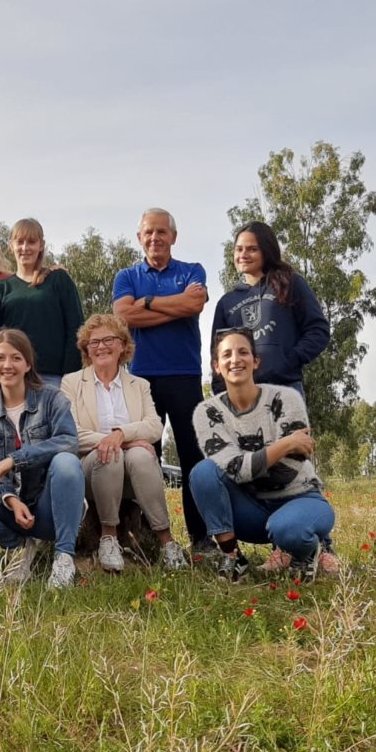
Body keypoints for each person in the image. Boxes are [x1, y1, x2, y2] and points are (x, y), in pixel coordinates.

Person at [189, 327, 337, 581]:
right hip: (253, 510)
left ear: (255, 361)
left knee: (287, 528)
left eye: (243, 352)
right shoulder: (207, 412)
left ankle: (307, 551)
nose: (235, 360)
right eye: (227, 355)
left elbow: (287, 470)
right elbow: (232, 468)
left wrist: (245, 464)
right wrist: (285, 444)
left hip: (299, 497)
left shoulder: (286, 398)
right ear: (216, 366)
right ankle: (234, 558)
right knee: (202, 473)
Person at [0, 329, 85, 588]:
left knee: (66, 462)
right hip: (11, 509)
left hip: (49, 507)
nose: (7, 365)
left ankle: (64, 557)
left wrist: (14, 459)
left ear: (28, 364)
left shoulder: (52, 399)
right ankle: (19, 547)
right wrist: (10, 499)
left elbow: (69, 441)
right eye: (0, 358)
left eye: (16, 358)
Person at [111, 207, 211, 557]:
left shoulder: (192, 271)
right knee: (142, 459)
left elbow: (195, 304)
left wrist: (150, 302)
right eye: (148, 233)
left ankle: (202, 539)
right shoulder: (126, 276)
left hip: (185, 376)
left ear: (173, 237)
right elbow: (124, 315)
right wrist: (175, 305)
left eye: (161, 232)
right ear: (140, 238)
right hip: (141, 380)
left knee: (193, 460)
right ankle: (144, 539)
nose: (155, 238)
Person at [61, 314, 189, 572]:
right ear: (86, 349)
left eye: (109, 339)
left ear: (123, 345)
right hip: (91, 469)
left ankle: (166, 542)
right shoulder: (72, 382)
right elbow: (72, 432)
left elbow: (154, 426)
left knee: (141, 456)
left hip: (134, 474)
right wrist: (122, 442)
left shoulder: (139, 385)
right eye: (93, 342)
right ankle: (108, 537)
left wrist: (120, 434)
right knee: (111, 455)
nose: (101, 346)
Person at [211, 221, 330, 397]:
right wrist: (221, 392)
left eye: (252, 249)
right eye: (239, 249)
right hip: (241, 395)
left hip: (285, 389)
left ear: (266, 251)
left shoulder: (290, 283)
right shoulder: (226, 302)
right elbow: (218, 353)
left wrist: (290, 360)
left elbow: (318, 330)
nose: (243, 255)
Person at [0, 218, 84, 387]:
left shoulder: (58, 279)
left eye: (31, 242)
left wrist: (70, 375)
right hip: (14, 378)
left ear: (41, 245)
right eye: (20, 242)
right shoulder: (1, 289)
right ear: (11, 245)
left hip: (54, 378)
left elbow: (76, 327)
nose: (25, 248)